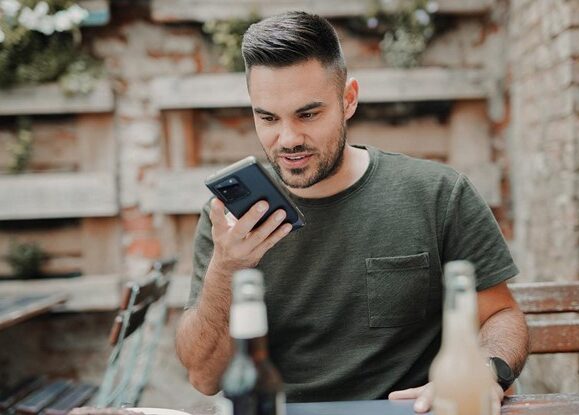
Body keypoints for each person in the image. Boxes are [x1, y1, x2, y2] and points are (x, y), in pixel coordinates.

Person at [175, 11, 529, 413]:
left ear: (348, 100)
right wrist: (227, 268)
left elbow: (501, 314)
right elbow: (204, 378)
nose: (288, 139)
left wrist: (486, 370)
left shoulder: (437, 194)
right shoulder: (230, 222)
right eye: (268, 118)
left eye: (308, 114)